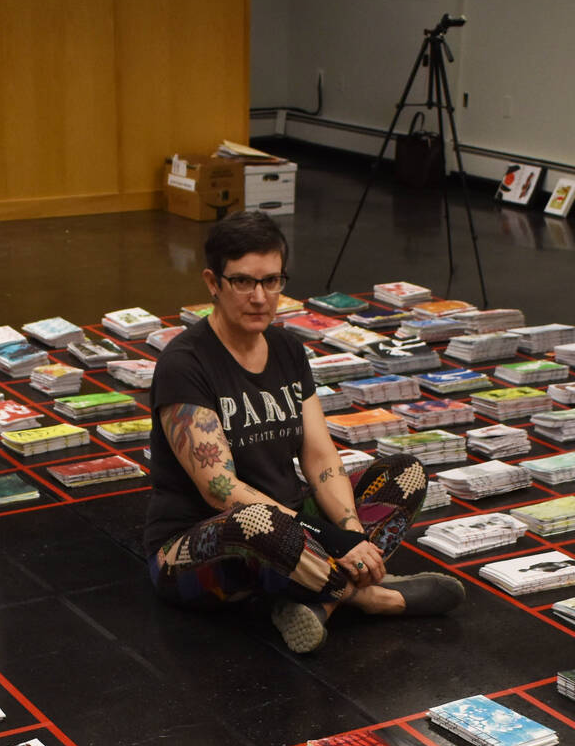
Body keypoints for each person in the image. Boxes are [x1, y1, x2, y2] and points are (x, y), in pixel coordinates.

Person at [142, 210, 463, 653]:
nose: (260, 297)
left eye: (271, 281)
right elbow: (219, 488)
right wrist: (332, 539)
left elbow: (319, 455)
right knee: (257, 521)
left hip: (296, 529)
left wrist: (350, 530)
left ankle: (315, 602)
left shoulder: (288, 349)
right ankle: (368, 597)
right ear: (212, 283)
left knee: (405, 472)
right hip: (198, 549)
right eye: (243, 282)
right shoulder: (185, 363)